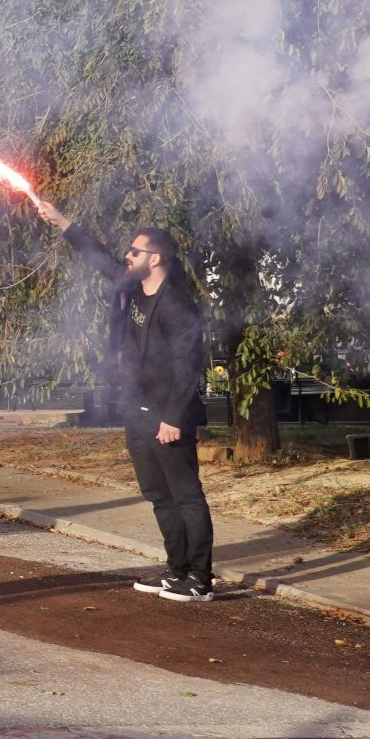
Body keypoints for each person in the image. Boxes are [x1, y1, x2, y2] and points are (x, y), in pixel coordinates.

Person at [32, 196, 216, 600]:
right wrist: (62, 220)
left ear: (157, 258)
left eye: (135, 250)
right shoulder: (132, 288)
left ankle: (200, 580)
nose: (126, 255)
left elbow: (189, 366)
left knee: (186, 495)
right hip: (138, 409)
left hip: (168, 415)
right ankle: (176, 570)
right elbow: (98, 258)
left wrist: (173, 417)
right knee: (158, 496)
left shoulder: (177, 305)